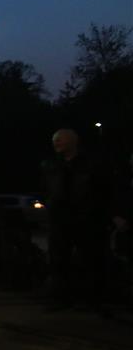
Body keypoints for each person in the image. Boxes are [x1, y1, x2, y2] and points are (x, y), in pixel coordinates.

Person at [41, 129, 109, 311]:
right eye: (55, 140)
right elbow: (47, 188)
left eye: (60, 140)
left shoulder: (90, 165)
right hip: (60, 219)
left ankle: (93, 300)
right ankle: (61, 299)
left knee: (89, 260)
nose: (56, 143)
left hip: (84, 218)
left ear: (73, 142)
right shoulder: (51, 165)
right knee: (58, 261)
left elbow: (103, 190)